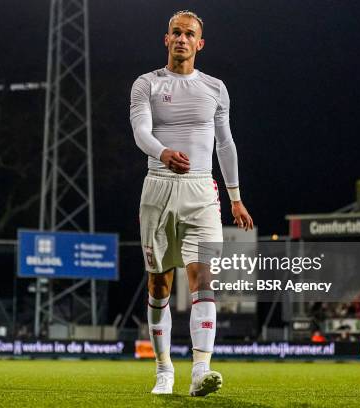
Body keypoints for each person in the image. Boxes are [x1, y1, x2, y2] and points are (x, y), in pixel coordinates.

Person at [130, 10, 254, 396]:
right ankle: (164, 369)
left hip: (202, 191)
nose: (182, 39)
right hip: (158, 187)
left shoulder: (215, 88)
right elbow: (139, 131)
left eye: (190, 35)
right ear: (166, 39)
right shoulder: (146, 84)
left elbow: (226, 143)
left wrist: (235, 197)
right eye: (176, 33)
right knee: (159, 283)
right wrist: (163, 153)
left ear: (200, 44)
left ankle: (201, 370)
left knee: (203, 276)